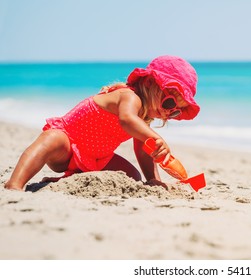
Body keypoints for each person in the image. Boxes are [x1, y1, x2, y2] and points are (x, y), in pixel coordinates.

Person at [4, 55, 200, 191]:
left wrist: (153, 179)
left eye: (175, 111)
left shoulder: (143, 117)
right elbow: (127, 120)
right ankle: (14, 184)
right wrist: (157, 137)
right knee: (50, 138)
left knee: (132, 176)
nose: (168, 112)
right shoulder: (129, 97)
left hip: (97, 157)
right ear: (149, 83)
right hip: (68, 145)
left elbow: (142, 148)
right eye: (169, 102)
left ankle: (74, 177)